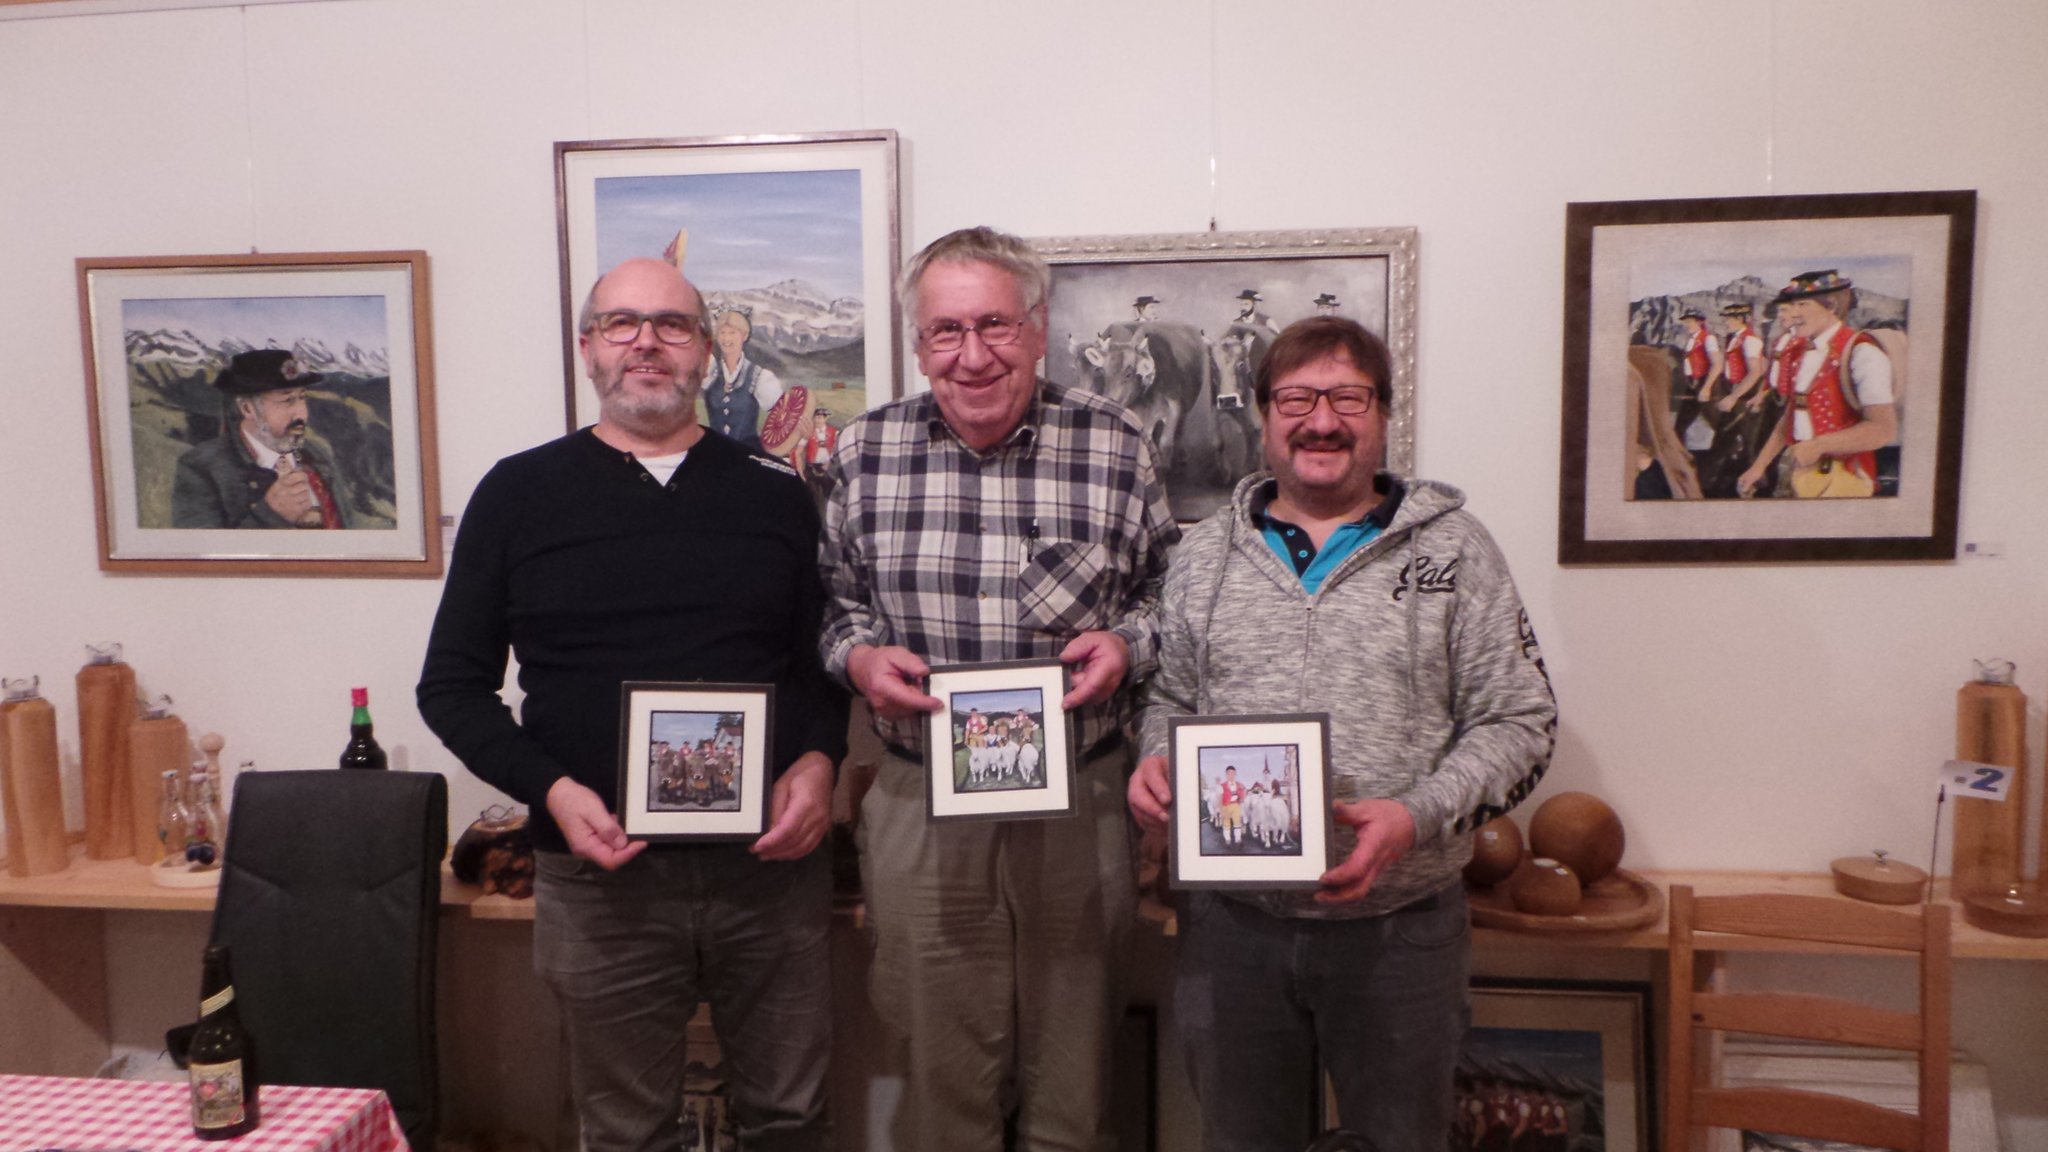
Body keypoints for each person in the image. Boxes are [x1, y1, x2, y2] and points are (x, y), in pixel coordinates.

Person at [417, 257, 849, 1151]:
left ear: (703, 353)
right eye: (622, 323)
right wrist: (555, 792)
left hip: (768, 876)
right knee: (622, 1133)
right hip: (599, 876)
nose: (646, 343)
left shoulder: (776, 492)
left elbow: (819, 664)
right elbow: (451, 687)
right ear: (588, 349)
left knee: (792, 1121)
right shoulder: (516, 493)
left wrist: (819, 760)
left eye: (672, 325)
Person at [1127, 316, 1557, 1150]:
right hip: (1232, 930)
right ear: (1262, 416)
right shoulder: (1205, 553)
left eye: (1346, 398)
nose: (1321, 420)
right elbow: (1173, 693)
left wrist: (1417, 816)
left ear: (1384, 415)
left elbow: (1521, 721)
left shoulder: (1455, 552)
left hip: (1401, 933)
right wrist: (1154, 756)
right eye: (1296, 398)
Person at [818, 225, 1179, 1150]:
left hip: (1081, 800)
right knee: (944, 1080)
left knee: (1074, 1077)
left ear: (1038, 327)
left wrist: (1126, 644)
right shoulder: (862, 454)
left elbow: (1167, 598)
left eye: (994, 326)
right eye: (946, 331)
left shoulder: (1115, 444)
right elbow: (834, 607)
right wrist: (860, 660)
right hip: (915, 798)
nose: (971, 355)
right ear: (917, 341)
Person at [1736, 269, 1898, 499]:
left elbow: (1883, 429)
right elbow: (1790, 416)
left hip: (1844, 477)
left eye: (1802, 305)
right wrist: (1759, 466)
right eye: (1790, 306)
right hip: (1801, 471)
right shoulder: (1800, 351)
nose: (1792, 314)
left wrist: (1819, 446)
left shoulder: (1862, 352)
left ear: (1830, 306)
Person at [171, 348, 353, 529]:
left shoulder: (317, 456)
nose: (301, 414)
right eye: (286, 400)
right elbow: (201, 549)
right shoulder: (200, 467)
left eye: (302, 398)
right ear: (247, 409)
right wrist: (271, 513)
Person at [703, 306, 785, 450]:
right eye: (722, 332)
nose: (726, 338)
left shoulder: (759, 377)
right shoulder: (710, 370)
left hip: (749, 458)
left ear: (745, 335)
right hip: (715, 456)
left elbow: (781, 420)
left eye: (732, 333)